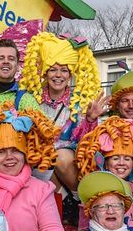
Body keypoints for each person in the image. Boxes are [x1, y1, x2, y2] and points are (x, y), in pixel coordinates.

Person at [17, 31, 107, 191]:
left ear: (70, 75)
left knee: (59, 156)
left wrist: (91, 120)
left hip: (68, 161)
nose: (58, 75)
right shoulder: (31, 99)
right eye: (53, 69)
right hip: (39, 159)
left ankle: (78, 196)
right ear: (45, 72)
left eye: (64, 70)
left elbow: (85, 142)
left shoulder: (79, 102)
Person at [76, 115, 133, 227]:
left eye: (127, 159)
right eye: (115, 158)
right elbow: (85, 223)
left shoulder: (132, 188)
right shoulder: (95, 187)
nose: (121, 163)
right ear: (106, 163)